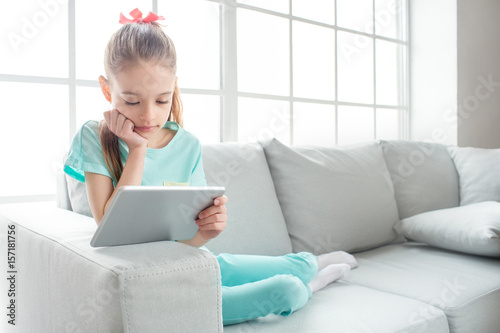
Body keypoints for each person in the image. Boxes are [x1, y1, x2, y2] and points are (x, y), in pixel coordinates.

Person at [63, 8, 358, 326]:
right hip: (154, 287)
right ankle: (312, 285)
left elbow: (186, 241)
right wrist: (137, 150)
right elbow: (110, 229)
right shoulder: (94, 135)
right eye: (132, 101)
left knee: (294, 266)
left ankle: (311, 265)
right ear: (108, 90)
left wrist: (205, 232)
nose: (148, 116)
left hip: (193, 263)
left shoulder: (187, 145)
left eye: (162, 100)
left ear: (173, 88)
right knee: (285, 290)